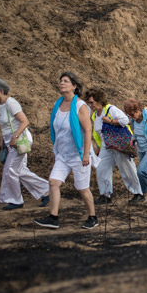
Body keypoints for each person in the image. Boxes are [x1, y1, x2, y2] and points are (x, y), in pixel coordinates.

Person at [34, 72, 98, 230]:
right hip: (62, 154)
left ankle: (93, 217)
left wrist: (86, 154)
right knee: (53, 182)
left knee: (82, 188)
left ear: (74, 86)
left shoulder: (80, 106)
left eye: (66, 81)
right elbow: (58, 131)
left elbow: (88, 131)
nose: (62, 83)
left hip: (79, 154)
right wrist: (55, 152)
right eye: (61, 81)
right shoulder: (58, 104)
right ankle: (53, 217)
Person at [0, 78, 49, 210]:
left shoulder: (11, 103)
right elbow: (7, 125)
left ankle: (16, 200)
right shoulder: (1, 105)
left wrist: (14, 137)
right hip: (11, 141)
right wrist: (3, 140)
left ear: (1, 91)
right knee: (20, 170)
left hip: (19, 141)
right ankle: (46, 190)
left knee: (10, 170)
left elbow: (25, 121)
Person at [84, 89, 144, 205]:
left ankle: (138, 193)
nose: (90, 105)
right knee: (102, 168)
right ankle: (105, 195)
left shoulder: (111, 109)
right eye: (89, 103)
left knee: (126, 168)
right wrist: (99, 146)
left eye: (92, 102)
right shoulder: (95, 115)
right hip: (106, 146)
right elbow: (97, 133)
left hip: (119, 144)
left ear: (99, 100)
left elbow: (125, 120)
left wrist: (110, 121)